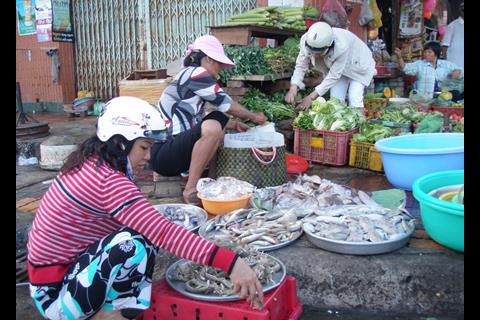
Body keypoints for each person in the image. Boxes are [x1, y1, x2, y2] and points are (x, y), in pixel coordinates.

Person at [26, 96, 264, 320]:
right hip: (56, 296)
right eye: (143, 147)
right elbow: (163, 232)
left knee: (143, 235)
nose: (149, 156)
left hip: (62, 277)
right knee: (133, 245)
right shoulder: (106, 180)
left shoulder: (93, 164)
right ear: (120, 143)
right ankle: (106, 313)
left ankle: (107, 308)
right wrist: (232, 264)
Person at [150, 35, 267, 205]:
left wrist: (234, 124)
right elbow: (226, 105)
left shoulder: (188, 75)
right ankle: (191, 189)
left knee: (218, 124)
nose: (220, 69)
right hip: (164, 154)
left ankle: (210, 182)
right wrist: (255, 117)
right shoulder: (196, 73)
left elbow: (200, 118)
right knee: (215, 124)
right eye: (219, 64)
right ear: (208, 59)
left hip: (170, 153)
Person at [285, 21, 376, 110]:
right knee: (336, 101)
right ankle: (343, 124)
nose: (315, 55)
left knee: (354, 99)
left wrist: (311, 97)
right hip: (341, 68)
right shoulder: (308, 40)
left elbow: (333, 76)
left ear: (328, 47)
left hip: (358, 64)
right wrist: (293, 87)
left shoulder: (341, 46)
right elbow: (301, 65)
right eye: (312, 52)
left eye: (318, 53)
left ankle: (360, 121)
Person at [395, 41, 464, 101]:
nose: (426, 54)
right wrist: (399, 57)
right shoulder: (420, 64)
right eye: (425, 52)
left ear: (436, 53)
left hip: (441, 100)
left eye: (429, 52)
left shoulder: (446, 65)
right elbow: (404, 67)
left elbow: (460, 70)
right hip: (423, 100)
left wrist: (458, 72)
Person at [441, 2, 464, 68]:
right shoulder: (452, 25)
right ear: (461, 12)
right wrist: (445, 61)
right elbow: (445, 45)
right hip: (454, 61)